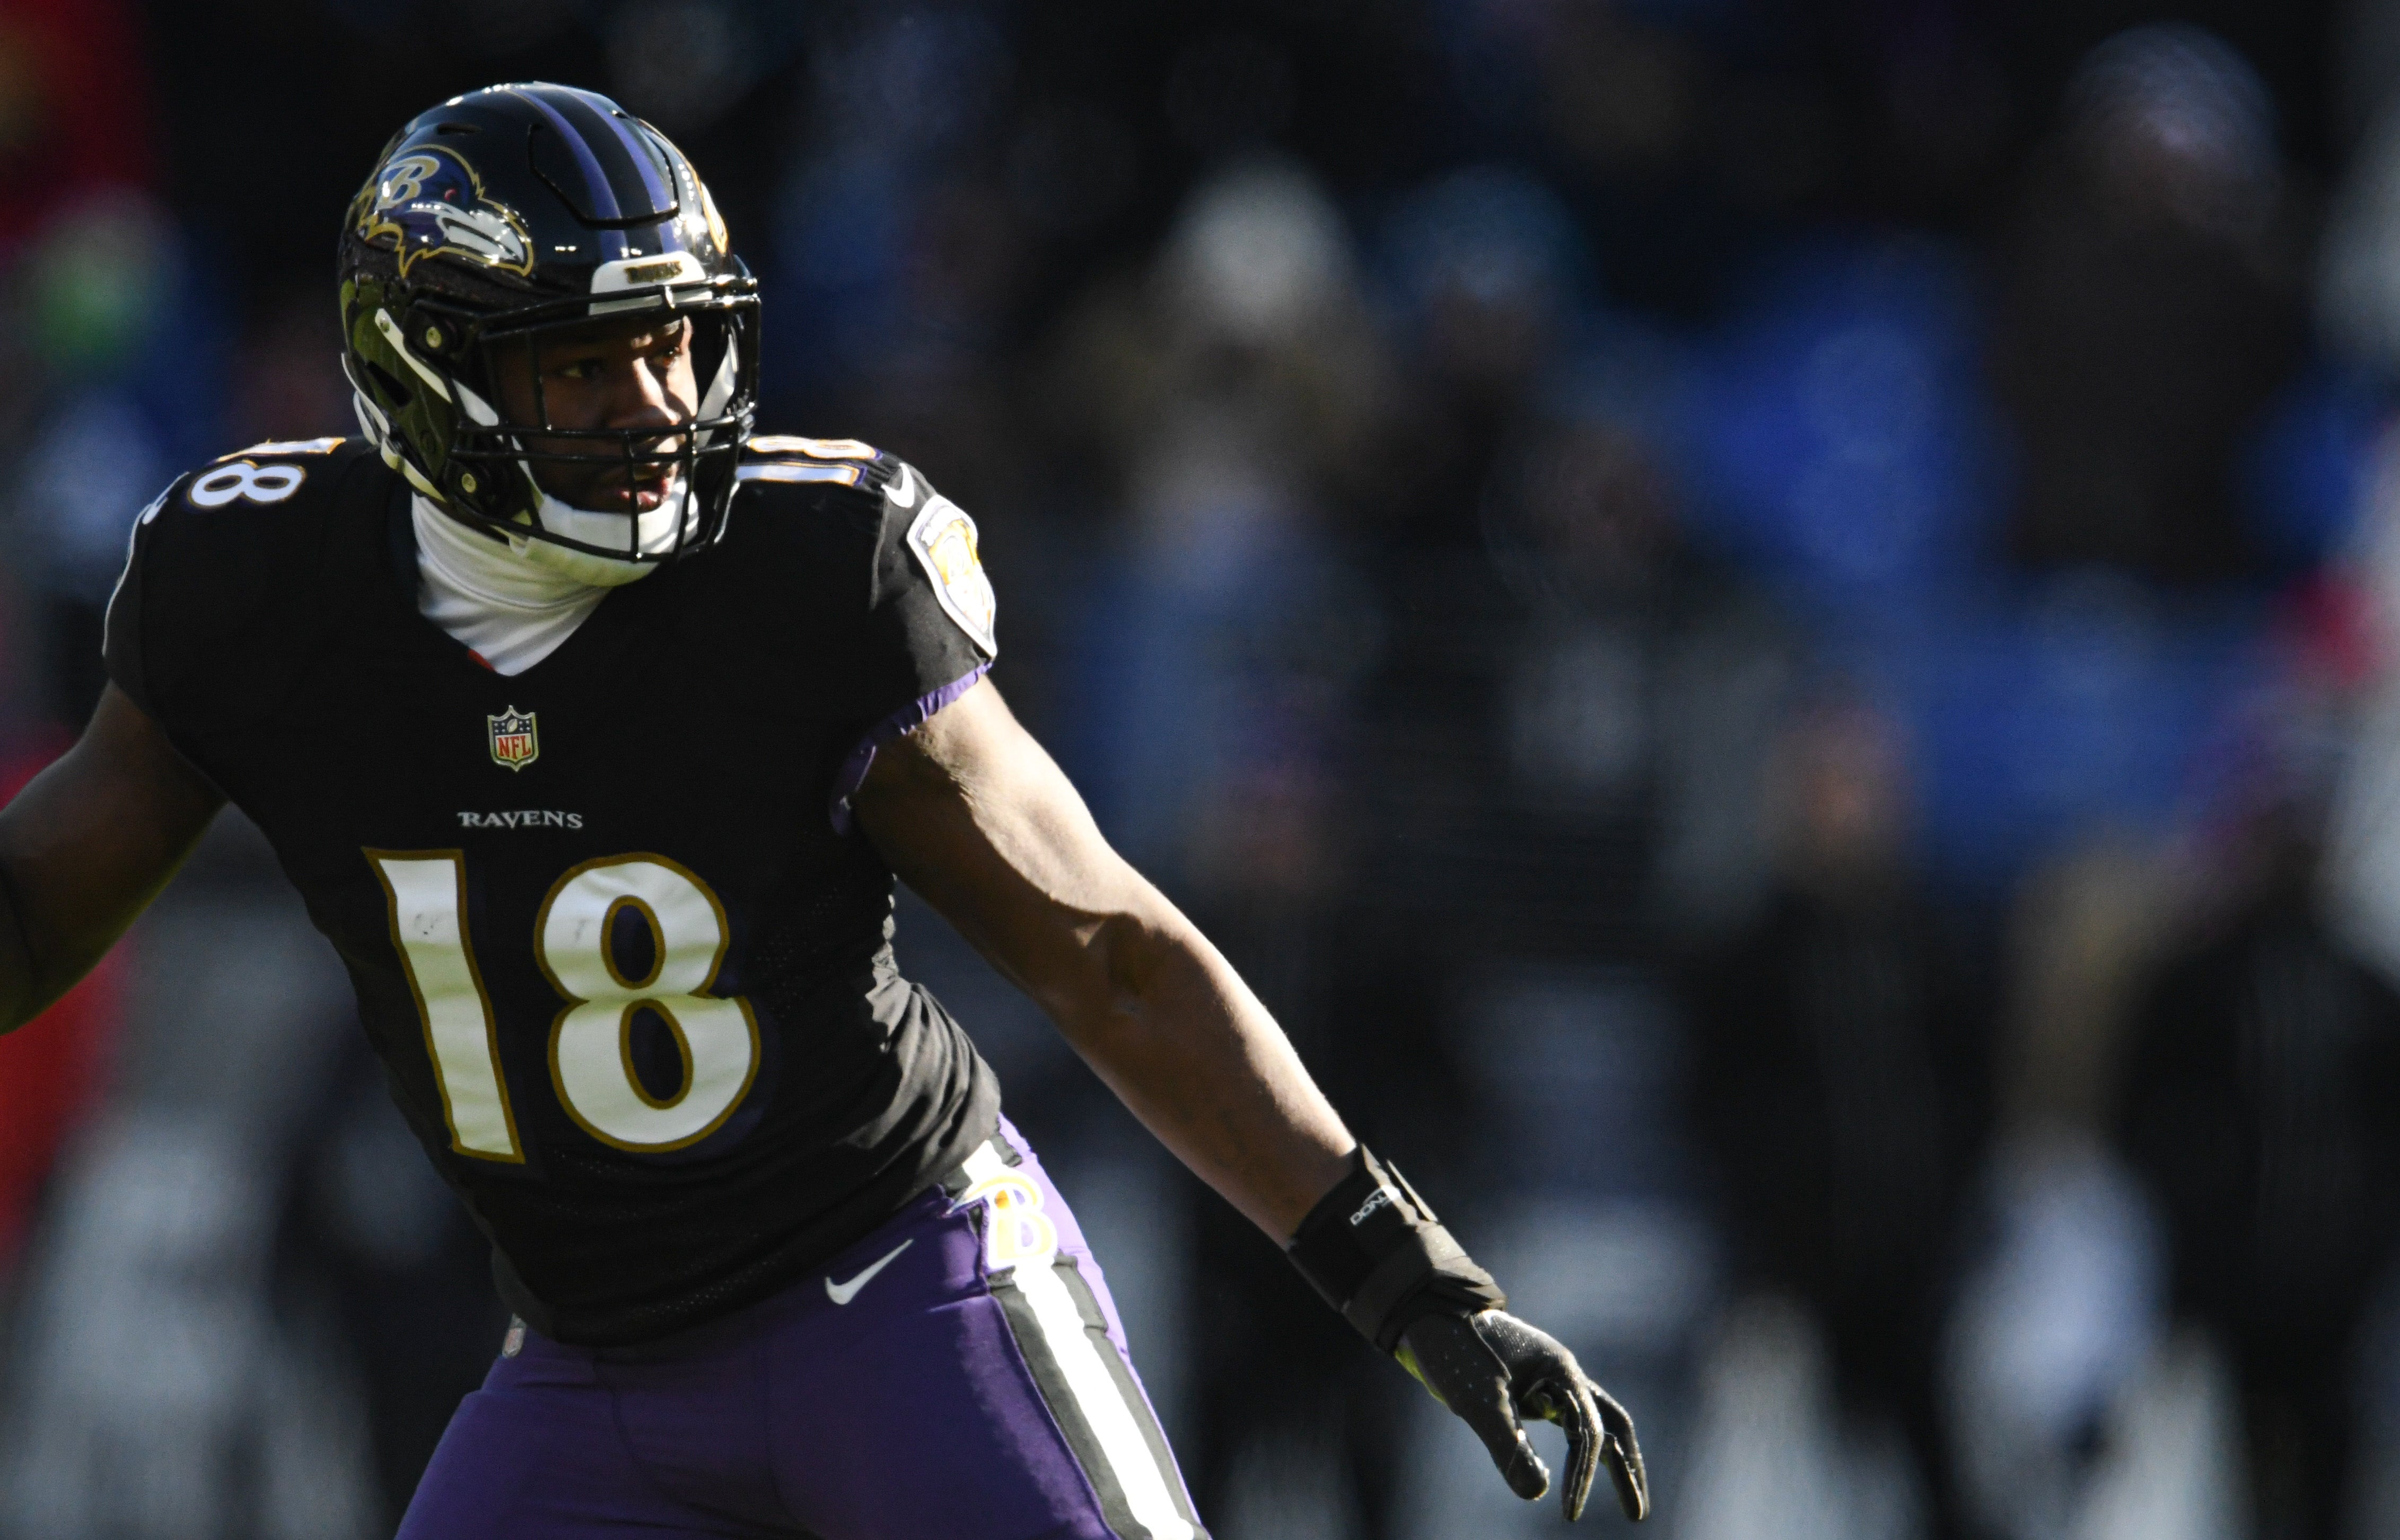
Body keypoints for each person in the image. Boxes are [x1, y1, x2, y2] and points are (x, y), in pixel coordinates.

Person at [0, 83, 1649, 1537]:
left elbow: (1105, 950)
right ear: (423, 369)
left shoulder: (811, 571)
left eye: (673, 339)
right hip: (591, 1371)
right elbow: (43, 896)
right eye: (585, 360)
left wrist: (1400, 1267)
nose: (653, 403)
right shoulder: (255, 584)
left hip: (906, 1300)